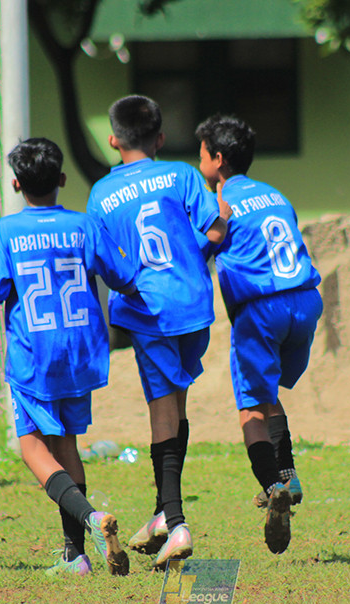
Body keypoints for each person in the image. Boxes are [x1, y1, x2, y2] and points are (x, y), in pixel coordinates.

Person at [0, 138, 136, 576]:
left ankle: (91, 519)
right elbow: (120, 275)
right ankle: (74, 556)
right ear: (62, 180)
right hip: (81, 352)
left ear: (15, 183)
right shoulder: (84, 225)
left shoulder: (6, 230)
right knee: (67, 445)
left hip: (34, 354)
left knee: (31, 447)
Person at [86, 95, 231, 569]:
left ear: (113, 139)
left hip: (149, 312)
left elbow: (103, 262)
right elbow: (214, 232)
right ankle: (161, 515)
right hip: (193, 306)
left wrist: (128, 287)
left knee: (162, 415)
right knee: (179, 405)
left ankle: (178, 522)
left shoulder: (102, 195)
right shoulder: (185, 175)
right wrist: (192, 255)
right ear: (161, 138)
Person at [194, 115, 322, 555]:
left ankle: (273, 488)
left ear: (218, 159)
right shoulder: (275, 194)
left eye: (203, 153)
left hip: (260, 308)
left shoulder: (220, 202)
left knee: (250, 407)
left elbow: (201, 248)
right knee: (268, 396)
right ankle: (289, 474)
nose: (200, 161)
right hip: (304, 300)